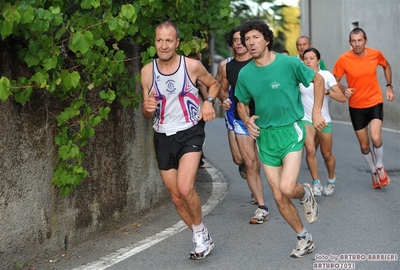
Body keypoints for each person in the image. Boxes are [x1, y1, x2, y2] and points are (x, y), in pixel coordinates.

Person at [235, 19, 326, 258]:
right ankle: (303, 237)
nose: (250, 43)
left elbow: (319, 80)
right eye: (246, 39)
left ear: (266, 39)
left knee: (286, 188)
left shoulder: (287, 63)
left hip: (291, 131)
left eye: (255, 37)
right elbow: (241, 103)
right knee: (278, 196)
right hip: (265, 137)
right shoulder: (245, 74)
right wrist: (246, 120)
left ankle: (305, 194)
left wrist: (316, 112)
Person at [141, 20, 220, 260]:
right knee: (176, 196)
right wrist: (146, 108)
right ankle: (201, 233)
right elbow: (147, 110)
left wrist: (208, 102)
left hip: (190, 131)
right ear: (154, 42)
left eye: (169, 40)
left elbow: (214, 84)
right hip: (163, 135)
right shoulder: (147, 71)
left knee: (186, 188)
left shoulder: (192, 66)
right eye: (159, 40)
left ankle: (198, 235)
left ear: (177, 42)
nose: (164, 45)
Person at [217, 25, 269, 223]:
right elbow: (222, 88)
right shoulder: (226, 66)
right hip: (241, 117)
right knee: (247, 161)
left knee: (261, 160)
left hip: (266, 117)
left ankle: (263, 183)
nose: (239, 43)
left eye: (243, 39)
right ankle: (262, 206)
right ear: (232, 44)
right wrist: (223, 99)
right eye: (236, 40)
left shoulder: (260, 61)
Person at [332, 27, 395, 189]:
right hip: (356, 106)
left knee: (376, 138)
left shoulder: (375, 54)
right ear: (349, 42)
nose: (357, 44)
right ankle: (374, 171)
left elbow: (386, 66)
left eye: (360, 40)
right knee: (365, 146)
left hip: (374, 102)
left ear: (366, 41)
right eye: (353, 41)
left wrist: (389, 86)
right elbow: (334, 79)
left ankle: (380, 165)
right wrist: (343, 88)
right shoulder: (343, 59)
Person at [300, 48, 346, 196]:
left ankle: (331, 179)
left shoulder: (326, 75)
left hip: (323, 119)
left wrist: (326, 91)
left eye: (312, 58)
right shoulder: (300, 76)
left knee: (327, 155)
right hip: (306, 119)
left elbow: (342, 97)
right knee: (310, 150)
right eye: (305, 58)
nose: (308, 61)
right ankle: (316, 183)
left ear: (318, 61)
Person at [188, 44, 209, 168]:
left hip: (185, 104)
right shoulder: (197, 65)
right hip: (197, 103)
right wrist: (208, 100)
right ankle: (199, 160)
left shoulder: (181, 62)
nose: (201, 54)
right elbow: (201, 85)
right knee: (199, 132)